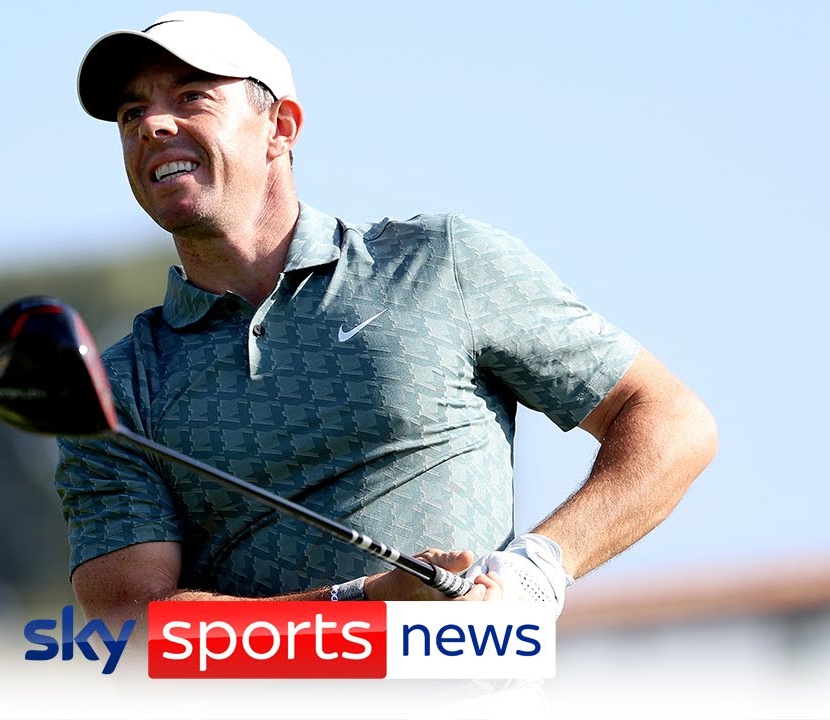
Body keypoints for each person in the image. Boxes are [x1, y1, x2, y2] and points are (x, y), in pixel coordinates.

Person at [57, 11, 718, 628]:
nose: (152, 125)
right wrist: (364, 610)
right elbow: (133, 629)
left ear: (281, 127)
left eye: (192, 97)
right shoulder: (114, 389)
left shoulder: (439, 262)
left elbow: (670, 419)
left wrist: (539, 570)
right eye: (131, 113)